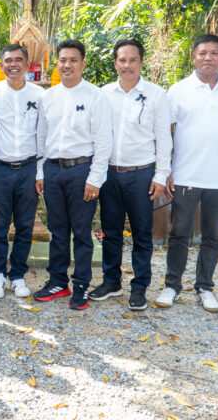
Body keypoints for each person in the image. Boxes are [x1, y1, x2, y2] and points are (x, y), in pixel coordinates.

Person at [156, 34, 218, 313]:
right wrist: (167, 170)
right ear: (194, 57)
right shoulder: (178, 90)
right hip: (185, 174)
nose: (208, 58)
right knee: (179, 233)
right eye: (202, 53)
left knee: (212, 235)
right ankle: (172, 286)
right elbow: (165, 132)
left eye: (214, 53)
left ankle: (205, 287)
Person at [90, 39, 172, 311]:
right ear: (115, 63)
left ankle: (139, 288)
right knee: (110, 231)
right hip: (110, 174)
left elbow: (164, 138)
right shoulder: (103, 94)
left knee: (141, 234)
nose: (127, 65)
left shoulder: (156, 95)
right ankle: (111, 282)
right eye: (122, 60)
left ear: (141, 62)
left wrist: (160, 175)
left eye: (132, 60)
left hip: (141, 175)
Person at [33, 39, 112, 310]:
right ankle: (58, 281)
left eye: (73, 60)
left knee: (81, 231)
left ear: (83, 63)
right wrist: (40, 172)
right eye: (63, 60)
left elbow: (104, 142)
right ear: (57, 63)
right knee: (57, 230)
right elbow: (41, 138)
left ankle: (81, 284)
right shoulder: (48, 97)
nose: (67, 65)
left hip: (82, 171)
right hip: (53, 170)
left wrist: (95, 179)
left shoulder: (95, 96)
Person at [0, 44, 43, 299]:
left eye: (18, 60)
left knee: (25, 226)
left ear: (27, 64)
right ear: (1, 64)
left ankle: (17, 275)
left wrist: (40, 172)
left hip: (29, 168)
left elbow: (44, 134)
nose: (13, 64)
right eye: (8, 60)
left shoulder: (39, 94)